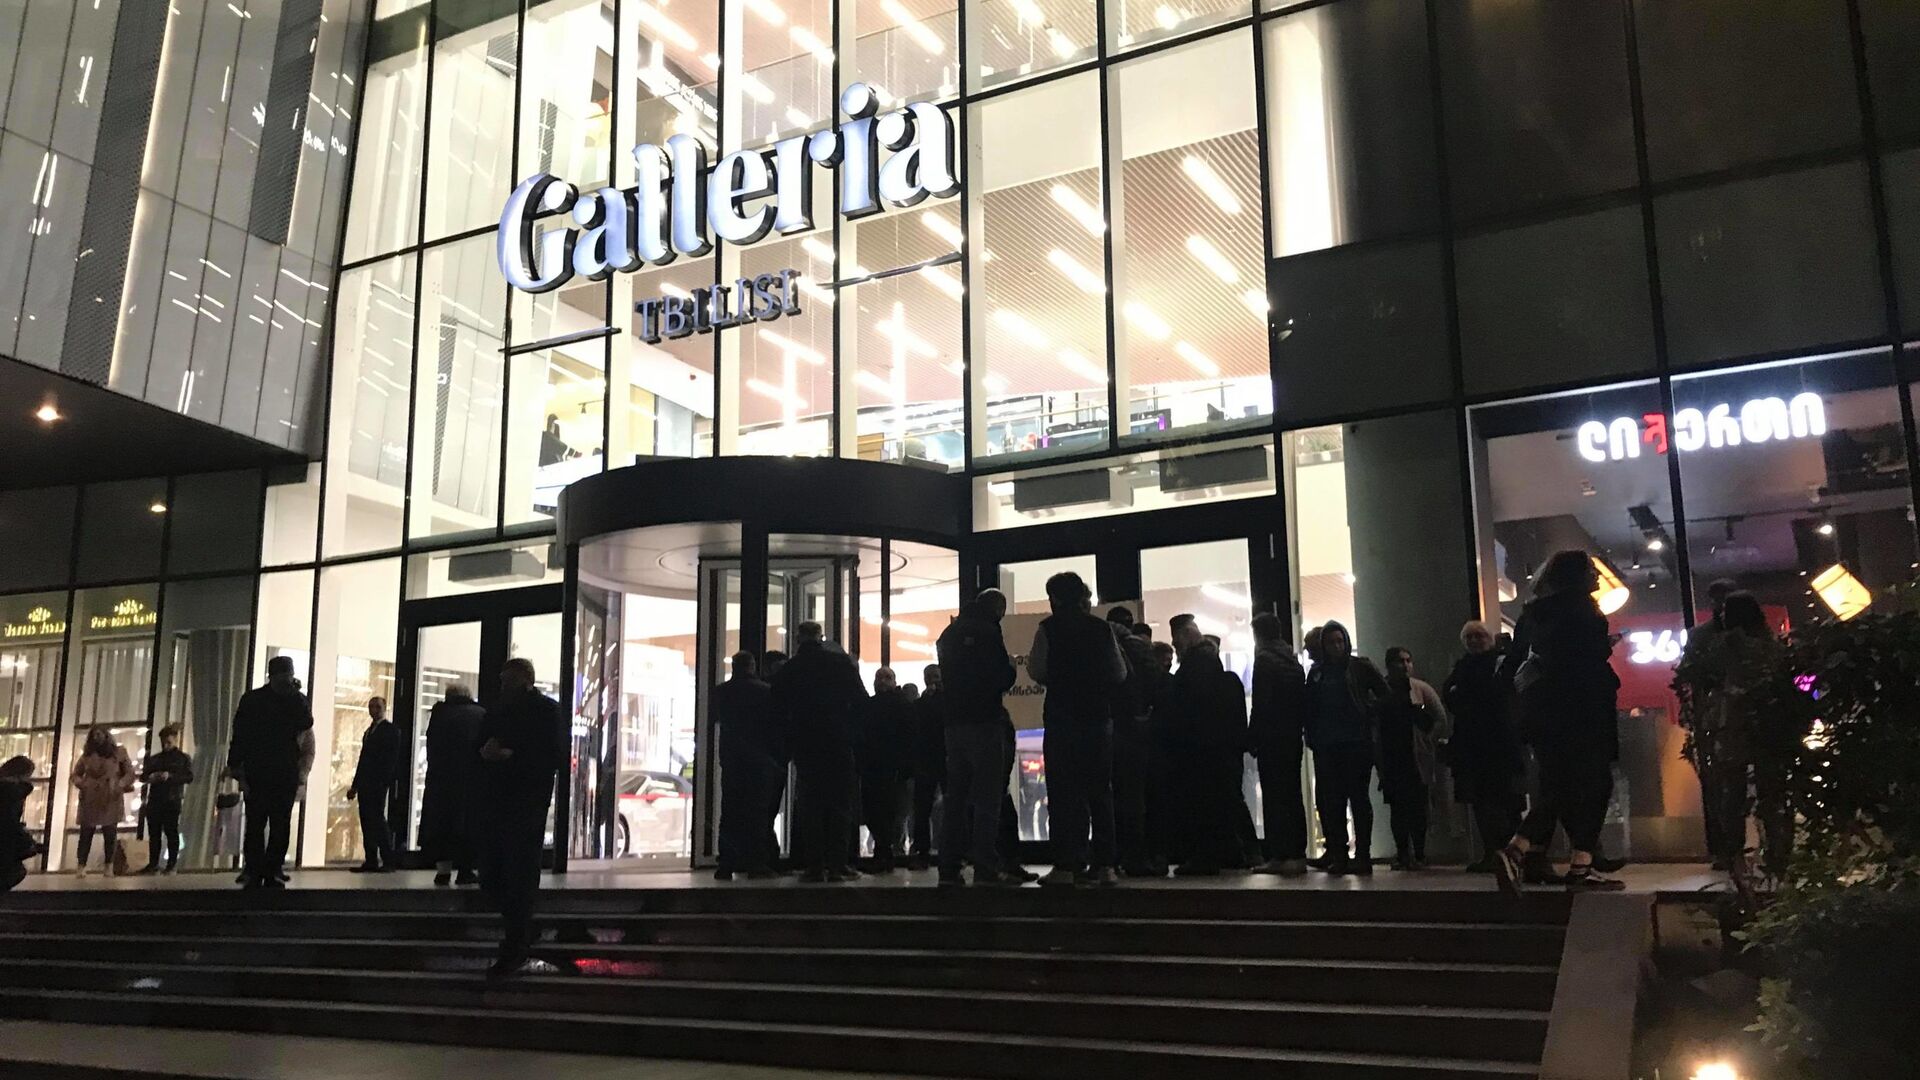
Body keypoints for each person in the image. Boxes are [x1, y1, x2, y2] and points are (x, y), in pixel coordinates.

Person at [1493, 550, 1627, 894]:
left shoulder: (1533, 613)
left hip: (1542, 711)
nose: (1597, 576)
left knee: (1556, 786)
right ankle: (1579, 864)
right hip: (1584, 710)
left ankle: (1519, 849)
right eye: (1591, 571)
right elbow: (1586, 661)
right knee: (1596, 784)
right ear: (1578, 577)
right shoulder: (1586, 612)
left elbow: (1517, 663)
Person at [1029, 571, 1127, 887]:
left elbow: (1037, 670)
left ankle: (1067, 864)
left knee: (1063, 793)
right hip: (1098, 719)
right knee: (1100, 792)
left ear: (1055, 598)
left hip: (1061, 719)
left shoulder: (1048, 628)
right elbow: (1119, 672)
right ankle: (1105, 866)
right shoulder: (1101, 628)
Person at [477, 658, 568, 977]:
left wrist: (510, 756)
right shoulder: (499, 710)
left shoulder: (545, 711)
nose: (505, 686)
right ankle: (520, 932)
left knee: (519, 870)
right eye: (503, 680)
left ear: (526, 679)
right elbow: (480, 744)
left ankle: (517, 939)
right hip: (499, 798)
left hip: (527, 800)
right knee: (495, 871)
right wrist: (486, 754)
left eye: (509, 680)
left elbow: (553, 755)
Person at [934, 589, 1020, 887]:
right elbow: (1000, 677)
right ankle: (985, 867)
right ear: (997, 609)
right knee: (987, 797)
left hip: (953, 724)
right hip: (984, 720)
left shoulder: (949, 634)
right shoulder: (988, 632)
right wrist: (1011, 670)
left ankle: (948, 867)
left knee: (956, 798)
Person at [772, 622, 868, 882]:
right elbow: (860, 700)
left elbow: (777, 707)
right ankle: (838, 865)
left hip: (806, 745)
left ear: (797, 639)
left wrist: (790, 739)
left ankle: (814, 866)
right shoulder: (839, 664)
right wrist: (851, 732)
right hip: (838, 741)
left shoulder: (791, 669)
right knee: (840, 804)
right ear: (820, 637)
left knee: (811, 806)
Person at [1305, 621, 1386, 875]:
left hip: (1356, 743)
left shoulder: (1360, 667)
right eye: (1331, 642)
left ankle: (1363, 854)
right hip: (1328, 745)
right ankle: (1339, 855)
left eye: (1339, 641)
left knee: (1358, 799)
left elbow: (1384, 694)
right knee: (1333, 802)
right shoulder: (1317, 673)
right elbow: (1310, 707)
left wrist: (1368, 713)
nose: (1336, 647)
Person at [1443, 621, 1525, 872]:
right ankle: (1492, 853)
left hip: (1501, 745)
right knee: (1482, 802)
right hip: (1474, 747)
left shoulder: (1500, 664)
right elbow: (1450, 695)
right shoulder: (1463, 667)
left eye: (1479, 636)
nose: (1474, 641)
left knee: (1505, 801)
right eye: (1469, 638)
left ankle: (1509, 853)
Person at [228, 655, 313, 889]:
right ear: (272, 676)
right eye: (283, 675)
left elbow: (307, 722)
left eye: (289, 676)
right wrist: (235, 764)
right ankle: (255, 868)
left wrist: (295, 695)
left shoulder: (295, 700)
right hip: (259, 768)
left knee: (280, 822)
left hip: (284, 769)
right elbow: (240, 733)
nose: (287, 680)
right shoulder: (253, 700)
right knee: (256, 821)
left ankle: (273, 867)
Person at [1166, 641, 1250, 876]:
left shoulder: (1187, 684)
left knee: (1200, 809)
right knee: (1227, 805)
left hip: (1197, 757)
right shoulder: (1230, 682)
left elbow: (1178, 721)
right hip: (1228, 756)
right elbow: (1239, 720)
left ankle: (1203, 858)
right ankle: (1234, 852)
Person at [1249, 612, 1309, 875]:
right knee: (1292, 794)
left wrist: (1252, 737)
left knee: (1274, 797)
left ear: (1258, 635)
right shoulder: (1292, 660)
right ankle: (1297, 852)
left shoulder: (1264, 659)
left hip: (1272, 738)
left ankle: (1280, 854)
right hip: (1291, 736)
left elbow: (1261, 703)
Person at [1379, 647, 1449, 870]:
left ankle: (1419, 852)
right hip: (1392, 755)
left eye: (1408, 661)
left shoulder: (1420, 688)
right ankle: (1402, 853)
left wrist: (1428, 740)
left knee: (1418, 806)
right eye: (1400, 661)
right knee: (1397, 807)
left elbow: (1440, 717)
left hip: (1416, 755)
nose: (1405, 665)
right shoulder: (1382, 689)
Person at [713, 652, 779, 880]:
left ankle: (726, 863)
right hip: (759, 760)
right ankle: (756, 862)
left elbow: (716, 720)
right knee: (757, 813)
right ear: (752, 666)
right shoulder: (765, 692)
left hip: (732, 759)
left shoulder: (721, 692)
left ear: (733, 667)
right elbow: (773, 726)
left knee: (730, 812)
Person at [1107, 606, 1161, 878]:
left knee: (1110, 795)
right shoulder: (1140, 648)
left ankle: (1110, 856)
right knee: (1136, 795)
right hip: (1137, 728)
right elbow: (1155, 684)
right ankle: (1138, 855)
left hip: (1110, 726)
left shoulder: (1104, 644)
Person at [422, 682, 485, 886]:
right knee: (466, 825)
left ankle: (443, 872)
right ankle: (465, 870)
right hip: (469, 780)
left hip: (439, 780)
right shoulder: (478, 714)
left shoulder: (438, 715)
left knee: (441, 826)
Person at [854, 667, 913, 871]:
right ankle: (885, 851)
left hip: (884, 767)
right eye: (880, 677)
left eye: (887, 678)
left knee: (886, 811)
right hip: (880, 767)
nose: (882, 682)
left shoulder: (871, 707)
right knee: (881, 811)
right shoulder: (902, 706)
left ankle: (884, 851)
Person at [347, 697, 402, 873]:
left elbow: (391, 759)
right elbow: (363, 760)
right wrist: (355, 785)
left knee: (377, 820)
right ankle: (371, 859)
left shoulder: (390, 731)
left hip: (378, 782)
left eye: (378, 707)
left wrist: (384, 780)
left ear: (385, 708)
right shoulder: (369, 731)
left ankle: (388, 859)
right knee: (366, 820)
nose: (374, 710)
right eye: (371, 707)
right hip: (366, 782)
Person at [71, 727, 135, 877]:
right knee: (86, 833)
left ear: (106, 736)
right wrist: (82, 784)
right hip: (91, 796)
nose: (97, 737)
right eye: (94, 735)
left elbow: (129, 772)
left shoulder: (119, 752)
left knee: (110, 832)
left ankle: (109, 866)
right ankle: (81, 866)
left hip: (110, 796)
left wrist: (120, 784)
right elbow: (76, 774)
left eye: (99, 734)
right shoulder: (86, 755)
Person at [137, 725, 195, 874]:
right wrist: (151, 777)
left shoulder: (182, 758)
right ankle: (154, 863)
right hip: (156, 799)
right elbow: (143, 776)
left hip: (172, 799)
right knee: (154, 833)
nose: (165, 745)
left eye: (168, 742)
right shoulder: (156, 759)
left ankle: (171, 864)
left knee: (171, 831)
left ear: (175, 739)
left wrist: (170, 777)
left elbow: (189, 777)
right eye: (163, 742)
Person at [906, 663, 948, 871]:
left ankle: (927, 852)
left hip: (932, 759)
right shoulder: (941, 703)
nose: (932, 680)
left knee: (926, 808)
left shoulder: (921, 705)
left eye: (935, 676)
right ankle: (929, 851)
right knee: (924, 808)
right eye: (930, 676)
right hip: (934, 759)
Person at [2, 755, 40, 891]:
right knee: (14, 871)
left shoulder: (8, 789)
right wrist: (27, 841)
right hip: (5, 842)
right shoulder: (12, 792)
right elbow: (10, 820)